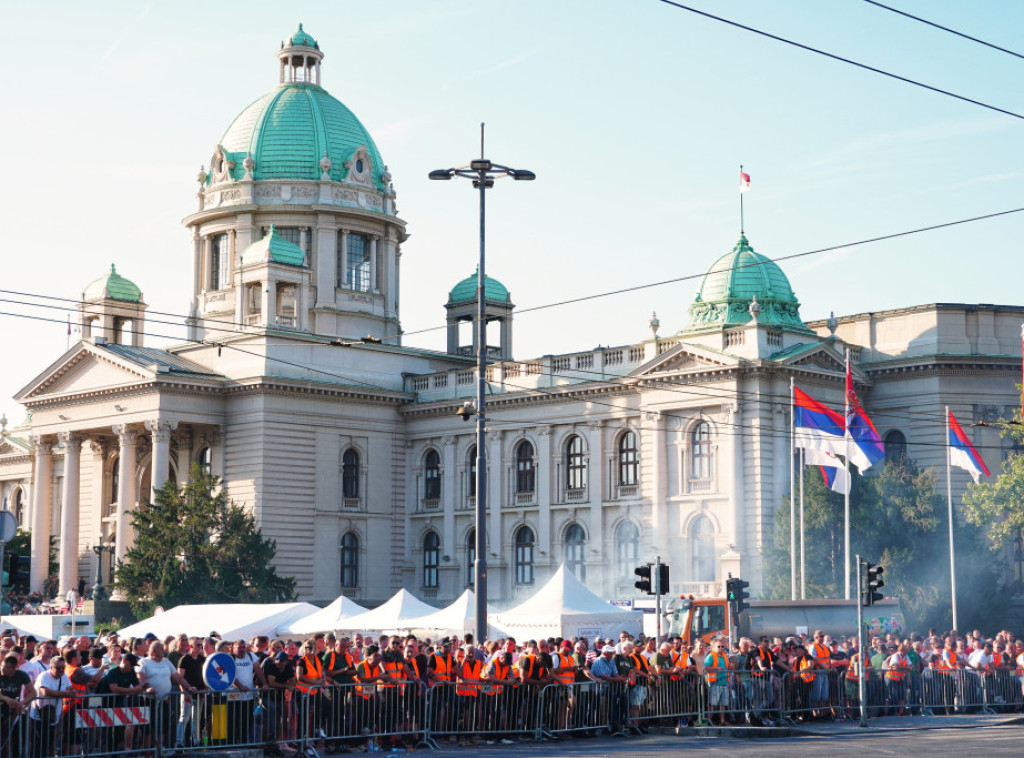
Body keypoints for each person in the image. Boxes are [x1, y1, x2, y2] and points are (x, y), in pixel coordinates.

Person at [140, 640, 196, 754]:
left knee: (163, 727)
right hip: (149, 700)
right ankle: (147, 754)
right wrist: (147, 688)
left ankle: (159, 750)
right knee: (148, 730)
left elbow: (178, 677)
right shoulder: (144, 662)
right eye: (161, 649)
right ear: (154, 651)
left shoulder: (166, 662)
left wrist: (189, 687)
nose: (164, 651)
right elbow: (141, 678)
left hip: (164, 700)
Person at [30, 655, 73, 758]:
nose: (61, 670)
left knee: (49, 744)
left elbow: (71, 691)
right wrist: (64, 694)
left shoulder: (64, 676)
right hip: (39, 716)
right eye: (58, 668)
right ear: (51, 667)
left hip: (54, 716)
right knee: (39, 746)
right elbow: (45, 692)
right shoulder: (44, 676)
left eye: (63, 667)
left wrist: (65, 693)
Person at [105, 654, 144, 750]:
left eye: (133, 666)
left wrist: (137, 689)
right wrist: (132, 691)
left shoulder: (131, 672)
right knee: (106, 734)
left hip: (118, 704)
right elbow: (114, 688)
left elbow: (137, 686)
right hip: (105, 703)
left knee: (118, 732)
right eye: (130, 664)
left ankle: (116, 752)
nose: (131, 667)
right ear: (124, 661)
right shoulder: (113, 672)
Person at [0, 654, 35, 758]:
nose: (3, 669)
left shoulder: (21, 675)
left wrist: (22, 703)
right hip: (2, 707)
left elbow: (33, 692)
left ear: (14, 668)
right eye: (2, 666)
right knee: (2, 739)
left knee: (14, 739)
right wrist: (7, 699)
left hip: (13, 710)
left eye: (6, 668)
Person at [703, 637, 730, 727]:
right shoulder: (711, 656)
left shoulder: (724, 656)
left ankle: (722, 720)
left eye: (722, 646)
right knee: (713, 704)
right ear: (713, 647)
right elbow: (705, 668)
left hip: (724, 683)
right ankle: (709, 720)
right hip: (715, 684)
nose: (721, 648)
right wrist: (716, 668)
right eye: (718, 646)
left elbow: (728, 667)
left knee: (722, 704)